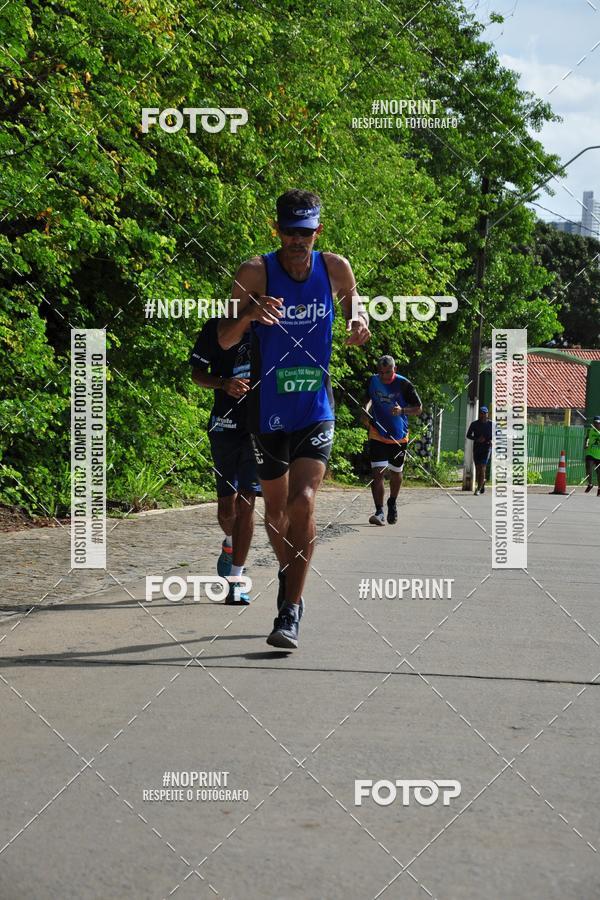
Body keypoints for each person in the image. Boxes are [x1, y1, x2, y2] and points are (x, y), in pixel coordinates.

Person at [218, 188, 370, 648]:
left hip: (314, 408)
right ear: (277, 230)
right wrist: (249, 316)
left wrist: (358, 322)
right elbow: (223, 339)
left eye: (306, 232)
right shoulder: (254, 272)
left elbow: (354, 302)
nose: (297, 240)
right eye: (290, 231)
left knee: (304, 500)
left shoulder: (334, 268)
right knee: (277, 514)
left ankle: (290, 608)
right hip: (267, 412)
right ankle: (290, 581)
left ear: (317, 231)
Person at [190, 318, 258, 604]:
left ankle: (237, 579)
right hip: (224, 425)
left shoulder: (273, 327)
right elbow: (196, 374)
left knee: (248, 500)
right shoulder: (216, 327)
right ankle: (230, 544)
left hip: (259, 427)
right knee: (226, 508)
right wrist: (223, 383)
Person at [362, 356, 422, 526]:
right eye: (381, 372)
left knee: (396, 473)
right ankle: (379, 511)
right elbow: (367, 399)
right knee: (377, 473)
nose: (384, 376)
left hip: (398, 435)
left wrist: (402, 410)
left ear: (394, 369)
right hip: (377, 432)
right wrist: (365, 412)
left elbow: (418, 408)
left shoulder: (404, 384)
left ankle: (392, 502)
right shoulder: (373, 381)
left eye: (388, 372)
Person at [466, 406, 493, 494]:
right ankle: (482, 482)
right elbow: (468, 435)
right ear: (479, 414)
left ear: (487, 414)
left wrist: (493, 441)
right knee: (478, 470)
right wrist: (477, 439)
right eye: (481, 413)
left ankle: (477, 489)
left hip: (487, 448)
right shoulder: (474, 424)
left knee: (482, 468)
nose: (483, 415)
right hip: (477, 448)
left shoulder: (492, 425)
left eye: (485, 413)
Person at [584, 414, 600, 495]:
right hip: (590, 453)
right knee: (588, 467)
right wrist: (586, 444)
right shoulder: (590, 431)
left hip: (599, 455)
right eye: (595, 423)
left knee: (598, 472)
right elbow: (587, 438)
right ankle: (590, 484)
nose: (597, 424)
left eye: (598, 423)